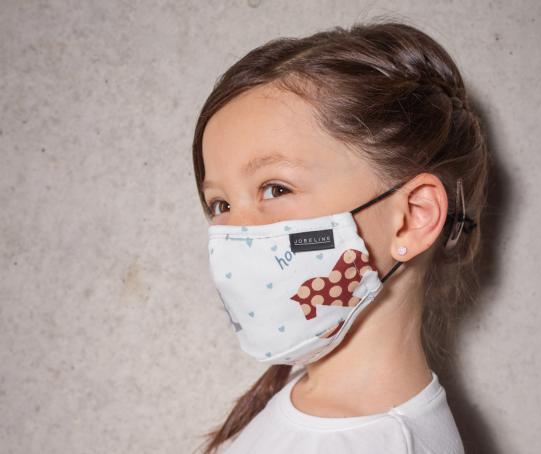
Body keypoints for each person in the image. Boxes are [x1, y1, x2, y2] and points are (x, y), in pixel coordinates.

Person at [192, 17, 489, 454]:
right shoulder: (313, 400)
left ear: (412, 217)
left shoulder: (381, 444)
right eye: (221, 204)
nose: (234, 233)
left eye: (276, 189)